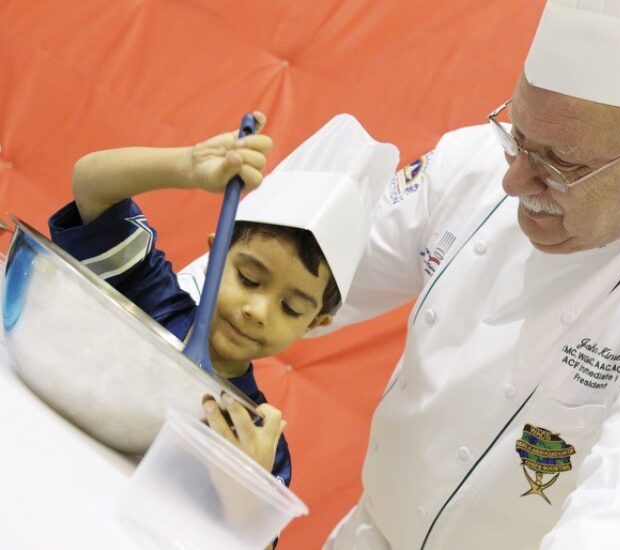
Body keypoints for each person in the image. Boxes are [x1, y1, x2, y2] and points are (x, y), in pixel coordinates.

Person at [304, 0, 620, 548]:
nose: (512, 182)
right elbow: (301, 272)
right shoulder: (473, 164)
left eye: (557, 163)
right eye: (517, 137)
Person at [48, 113, 399, 491]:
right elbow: (91, 185)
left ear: (314, 323)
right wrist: (185, 167)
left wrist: (245, 486)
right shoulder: (148, 295)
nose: (258, 311)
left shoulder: (257, 436)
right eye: (248, 278)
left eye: (291, 309)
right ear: (216, 251)